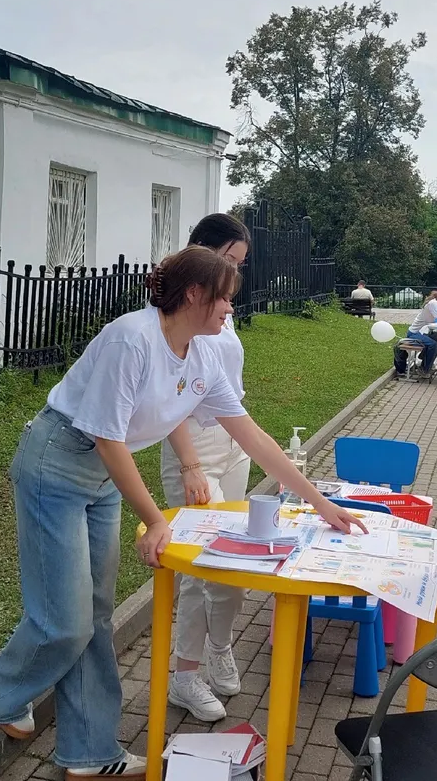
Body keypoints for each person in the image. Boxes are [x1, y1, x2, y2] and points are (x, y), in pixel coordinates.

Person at [0, 246, 366, 778]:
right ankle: (5, 687)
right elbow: (107, 437)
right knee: (66, 622)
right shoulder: (131, 339)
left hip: (103, 474)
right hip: (58, 463)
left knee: (96, 615)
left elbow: (252, 436)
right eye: (225, 298)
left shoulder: (204, 354)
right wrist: (156, 518)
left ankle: (89, 754)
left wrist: (321, 504)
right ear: (194, 295)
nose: (230, 308)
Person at [158, 216, 252, 721]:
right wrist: (190, 464)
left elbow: (226, 383)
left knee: (236, 561)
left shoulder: (222, 308)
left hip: (230, 442)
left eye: (239, 264)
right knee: (199, 566)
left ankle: (219, 646)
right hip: (192, 446)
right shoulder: (175, 310)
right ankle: (184, 677)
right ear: (201, 250)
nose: (234, 272)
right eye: (228, 259)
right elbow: (167, 396)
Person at [403, 287, 437, 375]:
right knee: (434, 345)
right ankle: (424, 369)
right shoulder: (433, 303)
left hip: (426, 331)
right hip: (416, 332)